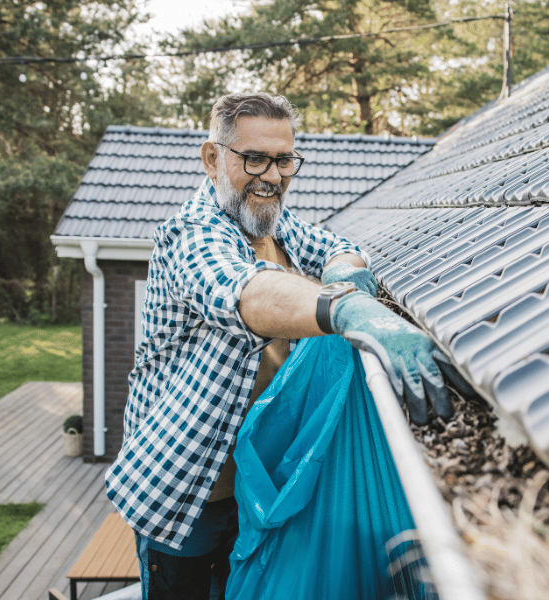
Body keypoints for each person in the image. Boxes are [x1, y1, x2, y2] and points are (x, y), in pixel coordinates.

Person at [105, 92, 459, 600]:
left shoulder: (270, 219)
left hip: (259, 482)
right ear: (212, 159)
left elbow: (339, 247)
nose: (272, 176)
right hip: (188, 491)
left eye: (284, 159)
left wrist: (341, 272)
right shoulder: (191, 233)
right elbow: (245, 292)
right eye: (253, 158)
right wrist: (348, 309)